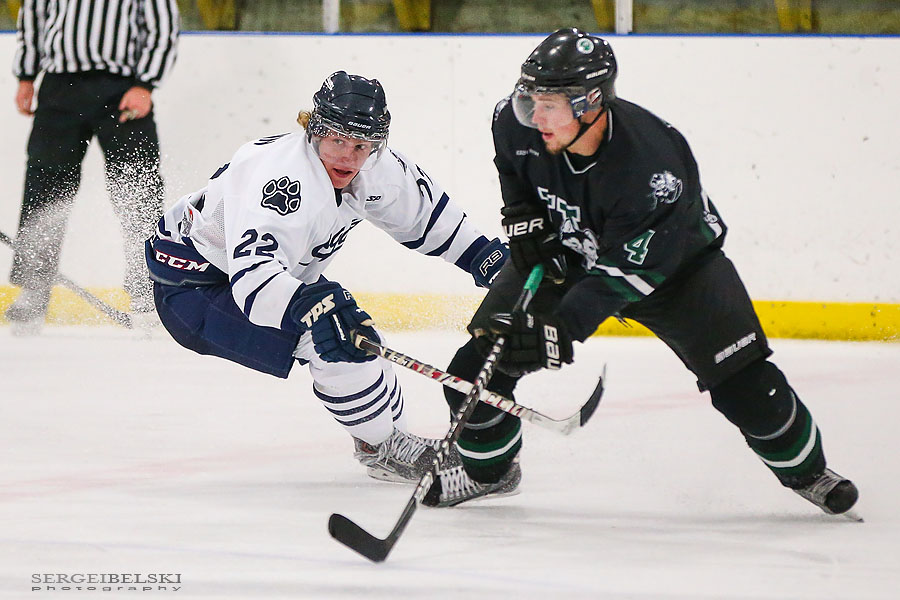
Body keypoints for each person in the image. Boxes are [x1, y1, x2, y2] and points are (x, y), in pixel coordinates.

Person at [424, 28, 859, 518]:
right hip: (568, 252)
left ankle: (809, 474)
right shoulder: (516, 120)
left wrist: (560, 328)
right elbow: (514, 165)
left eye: (549, 105)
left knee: (746, 389)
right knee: (473, 371)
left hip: (678, 269)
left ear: (590, 103)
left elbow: (622, 273)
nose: (534, 116)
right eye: (531, 100)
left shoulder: (654, 168)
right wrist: (525, 220)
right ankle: (490, 474)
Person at [145, 71, 509, 483]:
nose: (348, 157)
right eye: (337, 140)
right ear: (314, 130)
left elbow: (429, 219)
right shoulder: (282, 181)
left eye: (361, 145)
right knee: (334, 342)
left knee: (357, 335)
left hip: (259, 275)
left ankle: (386, 442)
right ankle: (385, 448)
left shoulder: (378, 168)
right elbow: (254, 284)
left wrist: (487, 259)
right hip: (197, 288)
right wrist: (312, 307)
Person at [6, 0, 179, 334]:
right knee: (44, 187)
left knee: (138, 189)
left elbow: (162, 29)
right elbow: (34, 18)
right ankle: (34, 289)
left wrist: (145, 84)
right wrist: (26, 77)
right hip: (59, 89)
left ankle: (148, 292)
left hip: (123, 88)